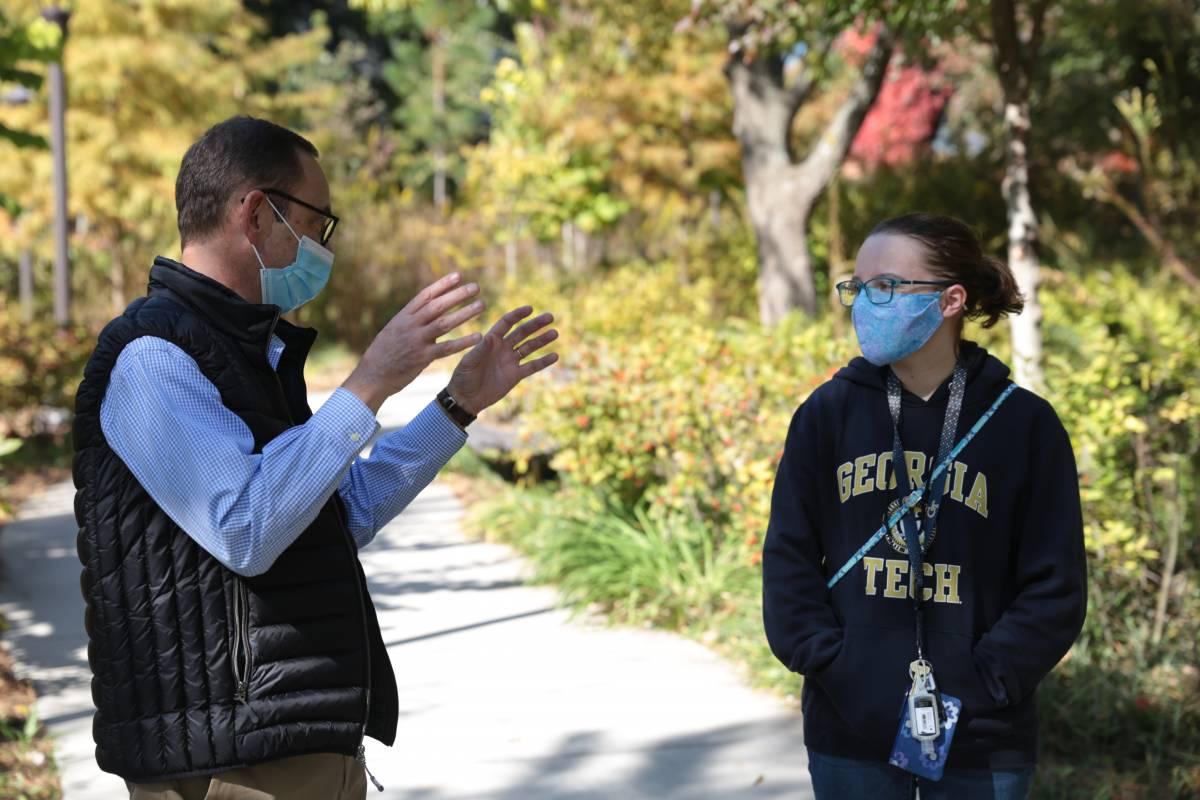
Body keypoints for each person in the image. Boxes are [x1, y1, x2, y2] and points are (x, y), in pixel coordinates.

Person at [72, 116, 559, 799]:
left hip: (286, 745)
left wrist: (456, 406)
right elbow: (248, 529)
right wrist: (369, 383)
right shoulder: (153, 359)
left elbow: (333, 516)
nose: (321, 246)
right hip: (231, 767)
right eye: (317, 222)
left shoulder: (245, 352)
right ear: (255, 213)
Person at [762, 212, 1087, 799]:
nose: (865, 302)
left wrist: (984, 680)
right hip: (849, 727)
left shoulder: (1024, 425)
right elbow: (788, 559)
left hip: (985, 735)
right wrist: (840, 667)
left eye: (886, 286)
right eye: (858, 287)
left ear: (950, 300)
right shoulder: (827, 415)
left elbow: (1055, 585)